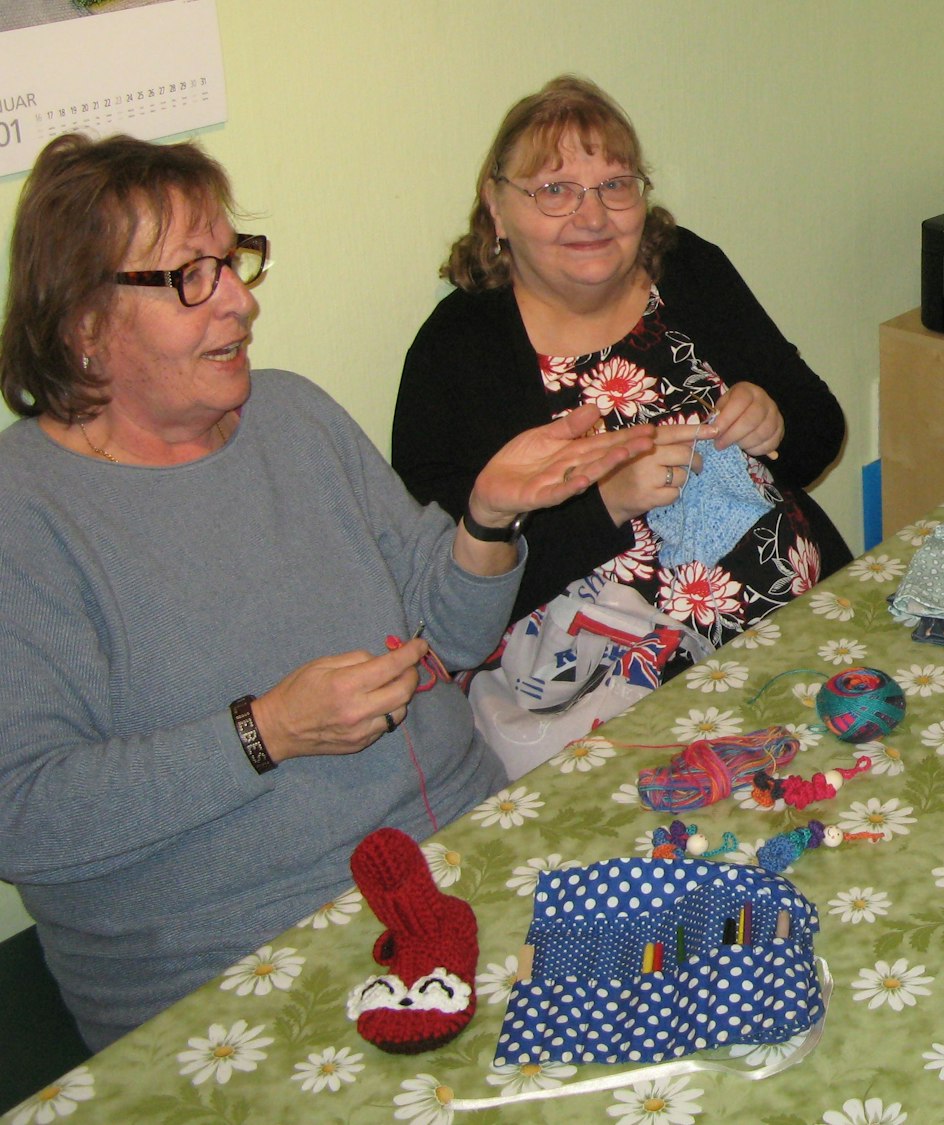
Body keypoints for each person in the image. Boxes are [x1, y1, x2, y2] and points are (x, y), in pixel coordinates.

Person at [0, 133, 653, 1050]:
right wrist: (264, 731)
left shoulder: (293, 415)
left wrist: (488, 519)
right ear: (85, 322)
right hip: (245, 964)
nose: (239, 300)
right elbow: (22, 816)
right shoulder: (24, 519)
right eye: (192, 276)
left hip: (466, 862)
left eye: (232, 262)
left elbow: (456, 638)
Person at [393, 75, 850, 663]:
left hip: (806, 621)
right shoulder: (456, 350)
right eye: (555, 190)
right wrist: (604, 504)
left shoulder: (687, 269)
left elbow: (822, 428)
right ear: (496, 208)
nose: (592, 217)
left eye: (614, 185)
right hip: (624, 692)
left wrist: (775, 422)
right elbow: (445, 595)